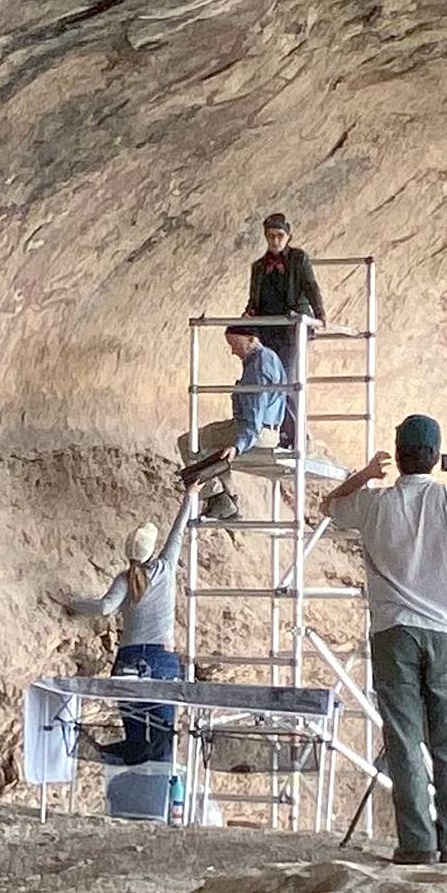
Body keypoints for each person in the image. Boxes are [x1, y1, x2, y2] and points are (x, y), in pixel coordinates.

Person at [321, 415, 447, 861]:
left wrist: (362, 475)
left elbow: (329, 505)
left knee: (404, 738)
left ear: (397, 457)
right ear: (437, 458)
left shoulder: (375, 504)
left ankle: (417, 844)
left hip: (393, 631)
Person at [62, 487, 204, 763]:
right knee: (163, 742)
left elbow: (104, 607)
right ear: (152, 550)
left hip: (127, 661)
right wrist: (190, 497)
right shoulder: (164, 569)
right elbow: (178, 532)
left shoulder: (124, 579)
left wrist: (73, 604)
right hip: (161, 662)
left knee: (136, 741)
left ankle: (115, 762)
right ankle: (158, 796)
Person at [243, 213, 325, 445]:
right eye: (271, 236)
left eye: (279, 236)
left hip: (291, 330)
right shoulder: (259, 267)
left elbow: (310, 286)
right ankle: (276, 431)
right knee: (268, 380)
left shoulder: (299, 259)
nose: (275, 241)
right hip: (269, 331)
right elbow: (254, 299)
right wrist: (249, 314)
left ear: (288, 236)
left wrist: (319, 314)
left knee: (287, 381)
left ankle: (296, 434)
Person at [182, 324, 288, 470]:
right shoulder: (270, 357)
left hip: (256, 433)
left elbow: (255, 410)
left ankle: (212, 491)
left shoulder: (258, 366)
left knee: (188, 441)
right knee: (214, 452)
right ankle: (227, 490)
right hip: (270, 432)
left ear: (251, 339)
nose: (233, 351)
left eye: (236, 345)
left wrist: (238, 445)